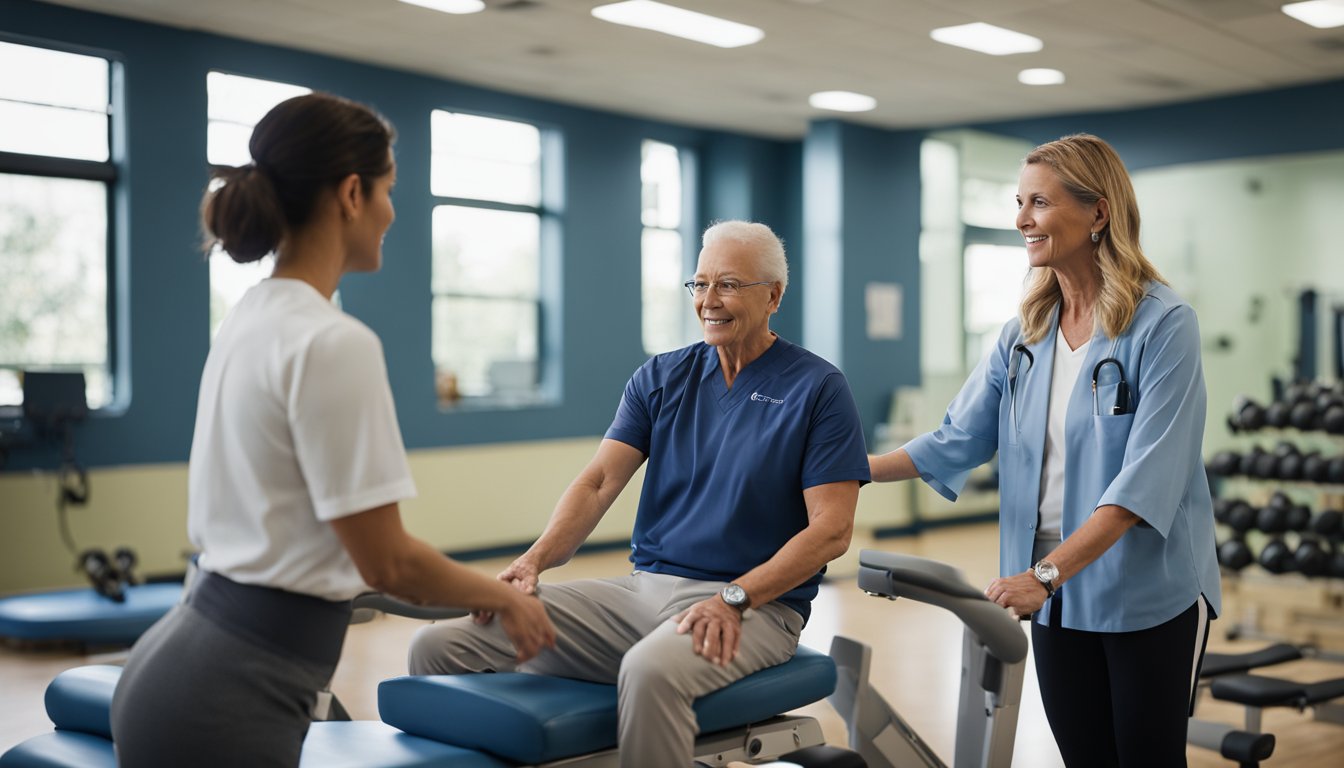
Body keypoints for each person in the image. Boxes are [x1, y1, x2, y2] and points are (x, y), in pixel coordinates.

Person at [110, 93, 555, 768]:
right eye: (388, 191)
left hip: (184, 663)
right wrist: (503, 598)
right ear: (352, 193)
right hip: (229, 695)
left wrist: (465, 591)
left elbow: (336, 552)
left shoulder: (251, 317)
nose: (392, 213)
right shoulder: (333, 342)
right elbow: (389, 562)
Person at [409, 220, 869, 768]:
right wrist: (532, 562)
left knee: (650, 670)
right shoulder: (661, 376)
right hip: (642, 592)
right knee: (439, 645)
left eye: (727, 285)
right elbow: (598, 482)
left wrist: (736, 597)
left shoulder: (817, 387)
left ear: (773, 295)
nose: (707, 301)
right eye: (698, 285)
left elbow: (831, 531)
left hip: (755, 607)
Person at [868, 134, 1220, 767]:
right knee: (1084, 757)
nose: (1021, 219)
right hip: (1057, 594)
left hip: (1145, 593)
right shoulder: (1025, 333)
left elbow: (1148, 481)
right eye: (1018, 202)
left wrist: (1044, 575)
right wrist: (852, 471)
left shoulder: (1164, 325)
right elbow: (959, 436)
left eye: (1039, 202)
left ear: (1098, 213)